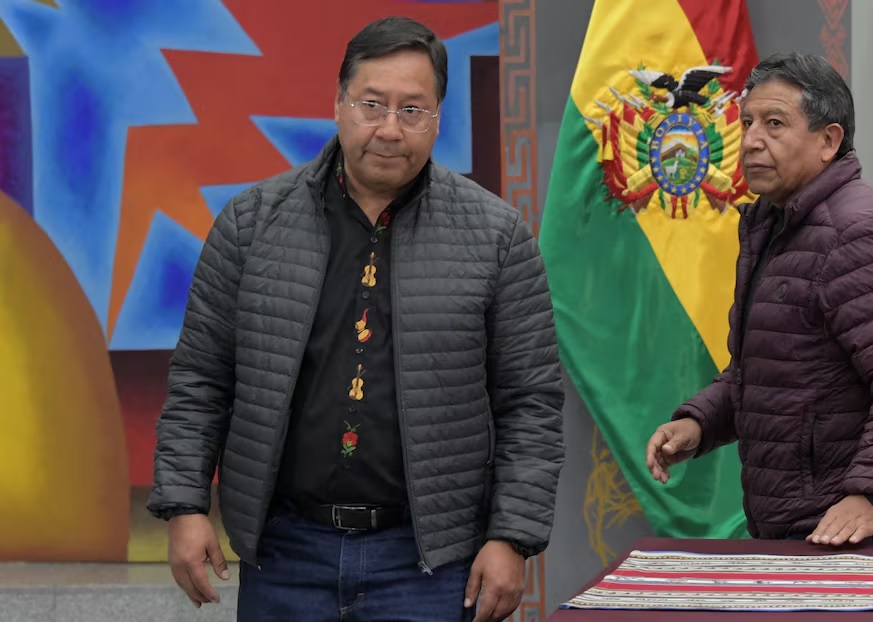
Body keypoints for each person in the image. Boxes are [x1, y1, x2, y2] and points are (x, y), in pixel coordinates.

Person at [148, 16, 565, 622]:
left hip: (430, 561)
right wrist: (186, 507)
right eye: (372, 104)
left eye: (413, 109)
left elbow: (530, 402)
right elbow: (200, 380)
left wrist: (512, 538)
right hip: (286, 552)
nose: (390, 129)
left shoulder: (496, 237)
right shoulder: (251, 223)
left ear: (438, 117)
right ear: (338, 104)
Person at [645, 52, 873, 547]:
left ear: (828, 140)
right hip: (791, 527)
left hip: (851, 534)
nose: (751, 140)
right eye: (748, 123)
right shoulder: (773, 222)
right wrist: (698, 423)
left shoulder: (857, 228)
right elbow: (770, 371)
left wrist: (868, 494)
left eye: (775, 123)